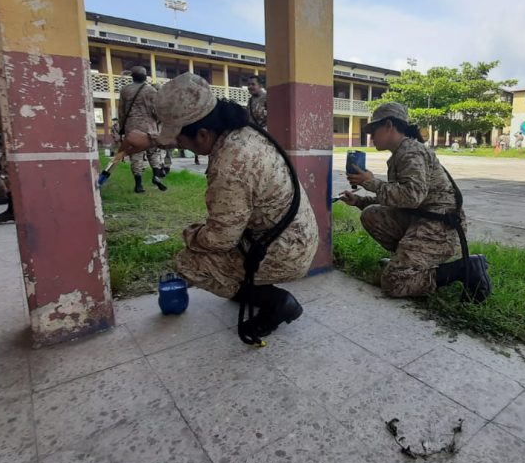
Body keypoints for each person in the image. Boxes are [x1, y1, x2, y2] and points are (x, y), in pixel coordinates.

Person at [120, 73, 318, 335]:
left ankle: (277, 302)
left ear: (203, 135)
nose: (180, 146)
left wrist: (190, 235)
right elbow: (186, 134)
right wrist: (152, 139)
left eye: (182, 142)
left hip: (286, 251)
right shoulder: (240, 129)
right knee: (214, 244)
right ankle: (249, 286)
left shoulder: (229, 166)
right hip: (293, 233)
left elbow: (220, 239)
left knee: (189, 262)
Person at [342, 102, 489, 299]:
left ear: (389, 126)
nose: (371, 137)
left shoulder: (411, 152)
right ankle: (406, 262)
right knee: (372, 214)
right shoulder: (402, 151)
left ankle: (464, 268)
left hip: (440, 228)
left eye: (373, 131)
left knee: (394, 283)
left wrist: (371, 182)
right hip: (422, 218)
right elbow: (401, 199)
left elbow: (412, 197)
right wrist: (360, 201)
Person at [118, 66, 167, 193]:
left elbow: (121, 111)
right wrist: (158, 121)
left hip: (132, 126)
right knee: (153, 152)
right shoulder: (151, 90)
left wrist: (122, 127)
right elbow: (158, 110)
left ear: (132, 77)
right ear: (145, 77)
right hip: (149, 126)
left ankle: (138, 185)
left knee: (136, 155)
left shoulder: (125, 90)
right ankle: (156, 176)